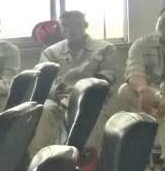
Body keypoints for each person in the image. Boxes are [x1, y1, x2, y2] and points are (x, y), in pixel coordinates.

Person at [29, 10, 118, 159]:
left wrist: (81, 96)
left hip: (92, 98)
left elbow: (108, 76)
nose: (71, 29)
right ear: (60, 28)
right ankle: (39, 160)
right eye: (65, 26)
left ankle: (88, 160)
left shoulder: (105, 48)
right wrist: (57, 94)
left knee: (92, 114)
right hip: (59, 98)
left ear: (85, 25)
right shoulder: (51, 52)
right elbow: (42, 80)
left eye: (76, 25)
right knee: (43, 110)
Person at [115, 3, 165, 171]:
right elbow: (133, 70)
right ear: (157, 21)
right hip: (150, 98)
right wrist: (144, 89)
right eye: (163, 22)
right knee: (124, 90)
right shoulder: (141, 44)